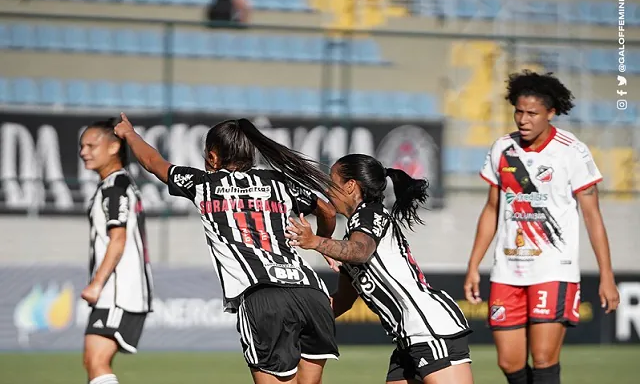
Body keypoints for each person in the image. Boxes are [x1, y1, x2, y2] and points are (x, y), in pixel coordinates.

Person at [114, 113, 340, 384]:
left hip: (263, 296)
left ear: (212, 157)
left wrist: (129, 134)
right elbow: (327, 209)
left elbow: (152, 162)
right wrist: (320, 242)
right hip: (312, 293)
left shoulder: (202, 184)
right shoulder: (280, 182)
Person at [463, 70, 620, 384]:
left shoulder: (571, 151)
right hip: (507, 270)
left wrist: (607, 275)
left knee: (545, 359)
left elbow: (593, 217)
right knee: (509, 363)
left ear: (552, 113)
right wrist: (473, 266)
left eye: (532, 113)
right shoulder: (502, 148)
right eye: (518, 111)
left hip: (553, 270)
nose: (523, 119)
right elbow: (492, 208)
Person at [286, 154, 474, 384]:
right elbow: (343, 301)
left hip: (430, 328)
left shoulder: (370, 213)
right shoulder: (353, 236)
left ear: (350, 186)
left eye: (331, 181)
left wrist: (315, 241)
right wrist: (295, 320)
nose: (327, 188)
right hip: (407, 338)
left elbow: (360, 250)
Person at [79, 118, 154, 384]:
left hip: (120, 292)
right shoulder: (112, 186)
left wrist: (97, 284)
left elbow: (118, 239)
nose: (83, 152)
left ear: (113, 147)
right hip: (114, 292)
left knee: (96, 361)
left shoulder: (116, 188)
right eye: (81, 146)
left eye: (90, 145)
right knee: (93, 361)